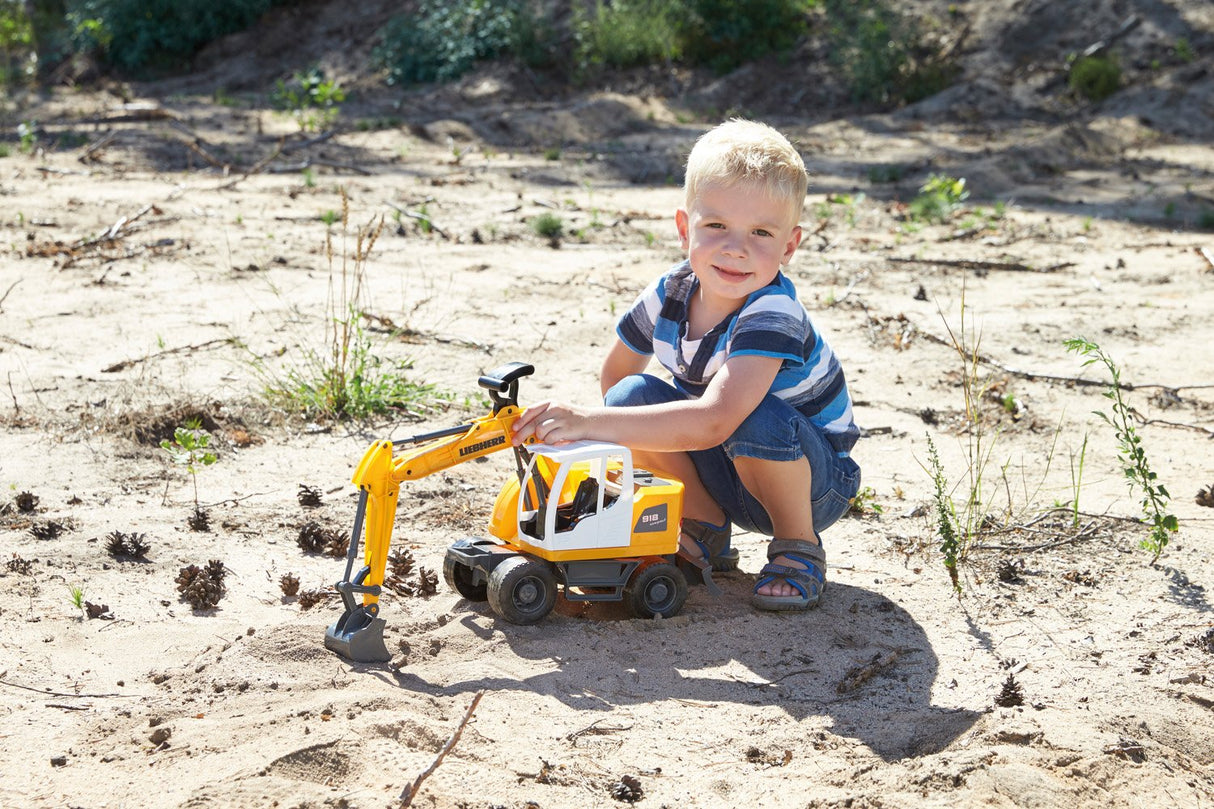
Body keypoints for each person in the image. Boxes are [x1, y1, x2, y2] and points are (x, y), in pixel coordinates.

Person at [511, 119, 860, 611]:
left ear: (789, 246)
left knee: (752, 413)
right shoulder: (671, 291)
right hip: (728, 467)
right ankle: (705, 527)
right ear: (684, 229)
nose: (736, 247)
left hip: (814, 483)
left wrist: (586, 421)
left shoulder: (772, 312)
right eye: (716, 226)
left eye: (761, 232)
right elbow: (617, 378)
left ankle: (797, 546)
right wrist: (609, 434)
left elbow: (717, 419)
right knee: (629, 397)